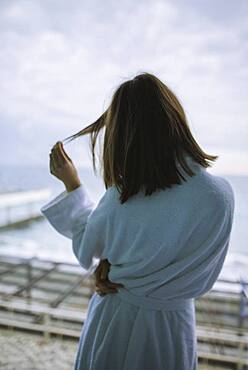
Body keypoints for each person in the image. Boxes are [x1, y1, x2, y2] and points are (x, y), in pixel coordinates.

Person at [40, 72, 235, 370]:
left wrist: (73, 186)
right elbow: (188, 266)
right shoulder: (220, 196)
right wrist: (123, 270)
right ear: (175, 121)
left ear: (123, 136)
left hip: (116, 319)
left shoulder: (121, 200)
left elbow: (87, 249)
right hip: (174, 325)